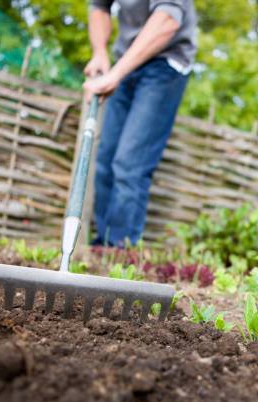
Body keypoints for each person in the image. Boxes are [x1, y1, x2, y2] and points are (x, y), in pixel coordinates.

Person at [83, 0, 196, 247]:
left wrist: (115, 74)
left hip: (166, 61)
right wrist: (100, 52)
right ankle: (103, 247)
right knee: (105, 159)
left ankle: (120, 252)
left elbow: (168, 19)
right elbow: (99, 7)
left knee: (130, 162)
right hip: (126, 60)